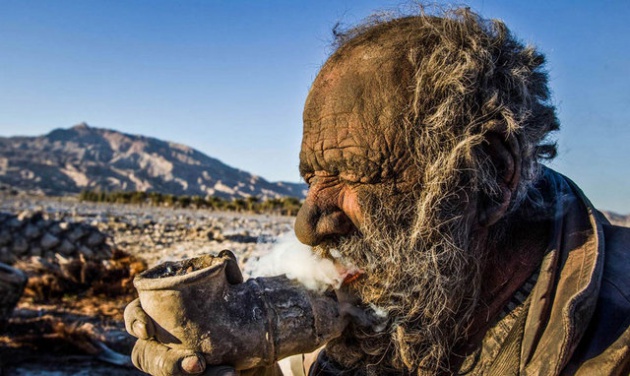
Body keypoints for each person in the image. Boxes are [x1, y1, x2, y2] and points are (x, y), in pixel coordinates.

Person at [125, 8, 630, 375]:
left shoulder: (614, 346)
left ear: (488, 175)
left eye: (352, 172)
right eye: (312, 177)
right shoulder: (376, 313)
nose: (306, 227)